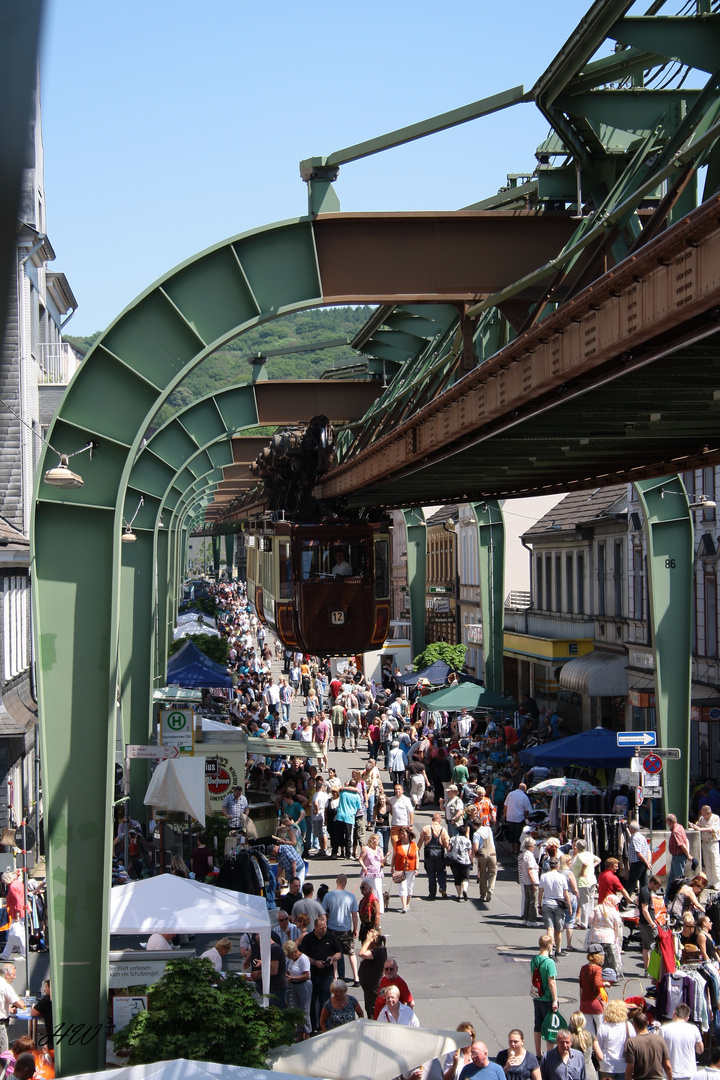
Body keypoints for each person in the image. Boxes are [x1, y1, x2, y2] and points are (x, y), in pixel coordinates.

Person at [298, 913, 342, 1032]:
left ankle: (324, 1027)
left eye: (326, 927)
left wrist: (332, 959)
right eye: (322, 928)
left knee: (325, 1002)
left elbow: (338, 953)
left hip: (326, 975)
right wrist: (314, 962)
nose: (324, 930)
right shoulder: (308, 938)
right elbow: (303, 955)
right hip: (313, 974)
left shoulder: (330, 937)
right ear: (316, 927)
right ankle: (312, 1026)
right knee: (311, 1002)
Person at [322, 874, 360, 984]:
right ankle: (356, 977)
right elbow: (354, 914)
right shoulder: (351, 896)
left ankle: (335, 976)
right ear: (346, 882)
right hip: (346, 929)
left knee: (334, 952)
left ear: (336, 881)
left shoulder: (329, 896)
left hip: (332, 928)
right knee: (351, 952)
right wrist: (355, 928)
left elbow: (323, 912)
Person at [530, 935, 558, 1057]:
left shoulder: (534, 959)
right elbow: (551, 982)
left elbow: (532, 977)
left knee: (538, 1025)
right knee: (549, 1026)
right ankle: (549, 1054)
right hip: (547, 997)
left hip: (537, 996)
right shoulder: (549, 962)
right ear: (550, 946)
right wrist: (555, 999)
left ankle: (538, 1053)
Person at [593, 1000, 635, 1080]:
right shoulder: (628, 1026)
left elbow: (600, 1048)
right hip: (623, 1066)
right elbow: (634, 1044)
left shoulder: (603, 1027)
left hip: (606, 1066)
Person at [538, 857, 572, 958]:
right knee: (558, 929)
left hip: (547, 902)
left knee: (550, 928)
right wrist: (569, 906)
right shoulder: (561, 877)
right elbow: (566, 894)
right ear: (558, 866)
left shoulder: (544, 876)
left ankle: (550, 951)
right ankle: (558, 949)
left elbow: (540, 892)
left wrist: (539, 905)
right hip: (558, 904)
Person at [623, 1012, 671, 1080]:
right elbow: (667, 1065)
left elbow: (630, 1067)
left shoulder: (632, 1042)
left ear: (634, 1025)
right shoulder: (660, 1039)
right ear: (647, 1022)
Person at [661, 1004, 703, 1080]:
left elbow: (658, 1051)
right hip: (689, 1072)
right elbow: (700, 1050)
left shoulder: (663, 1029)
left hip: (670, 1073)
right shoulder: (694, 1029)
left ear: (674, 1013)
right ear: (687, 1018)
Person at [587, 894, 624, 977]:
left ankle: (594, 973)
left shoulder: (597, 908)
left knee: (595, 955)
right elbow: (617, 925)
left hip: (595, 936)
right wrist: (617, 937)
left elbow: (590, 920)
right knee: (611, 959)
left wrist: (594, 926)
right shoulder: (614, 911)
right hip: (608, 937)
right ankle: (612, 975)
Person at [247, 934, 287, 1009]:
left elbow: (274, 970)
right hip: (272, 987)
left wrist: (258, 974)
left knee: (275, 1013)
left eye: (259, 942)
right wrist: (262, 962)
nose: (259, 945)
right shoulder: (271, 949)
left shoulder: (274, 949)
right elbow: (272, 962)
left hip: (277, 987)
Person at [283, 940, 312, 1039]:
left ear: (295, 951)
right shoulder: (292, 960)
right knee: (296, 1009)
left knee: (304, 1010)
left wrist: (294, 978)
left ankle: (307, 1032)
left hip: (304, 985)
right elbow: (289, 970)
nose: (290, 957)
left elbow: (306, 975)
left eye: (291, 955)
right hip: (294, 986)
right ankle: (300, 1031)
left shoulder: (303, 959)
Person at [418, 812, 449, 901]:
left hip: (428, 853)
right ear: (440, 820)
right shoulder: (443, 830)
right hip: (439, 853)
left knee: (431, 874)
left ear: (432, 820)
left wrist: (417, 851)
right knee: (441, 872)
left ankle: (432, 894)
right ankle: (442, 887)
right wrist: (449, 851)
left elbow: (420, 841)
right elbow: (446, 843)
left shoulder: (426, 828)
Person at [357, 929, 387, 1018]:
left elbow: (361, 953)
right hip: (368, 985)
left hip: (373, 985)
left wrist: (368, 941)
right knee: (369, 1008)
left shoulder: (378, 951)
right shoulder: (378, 950)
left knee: (373, 1009)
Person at [578, 950, 609, 1036]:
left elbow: (581, 986)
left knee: (588, 1031)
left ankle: (590, 1048)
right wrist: (605, 983)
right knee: (601, 1029)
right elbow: (596, 983)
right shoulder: (598, 969)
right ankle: (599, 1048)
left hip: (585, 1002)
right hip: (596, 1003)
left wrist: (582, 1001)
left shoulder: (583, 968)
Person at [573, 840, 601, 929]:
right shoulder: (589, 854)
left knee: (584, 902)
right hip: (592, 880)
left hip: (583, 881)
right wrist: (592, 866)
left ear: (577, 847)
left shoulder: (579, 856)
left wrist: (582, 871)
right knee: (590, 902)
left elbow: (584, 863)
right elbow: (598, 860)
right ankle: (590, 921)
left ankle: (584, 923)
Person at [690, 805, 720, 887]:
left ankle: (717, 884)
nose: (703, 816)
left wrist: (700, 829)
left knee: (715, 863)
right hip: (705, 842)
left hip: (713, 842)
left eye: (704, 815)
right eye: (702, 815)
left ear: (709, 813)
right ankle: (710, 882)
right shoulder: (702, 819)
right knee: (707, 863)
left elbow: (712, 829)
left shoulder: (715, 818)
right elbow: (698, 825)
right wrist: (694, 826)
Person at [392, 826, 419, 913]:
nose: (402, 835)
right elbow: (394, 856)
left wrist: (416, 868)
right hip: (400, 869)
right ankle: (404, 906)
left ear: (408, 834)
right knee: (402, 887)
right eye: (401, 833)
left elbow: (417, 857)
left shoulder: (413, 844)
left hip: (411, 869)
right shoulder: (397, 844)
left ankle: (407, 903)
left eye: (404, 833)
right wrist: (392, 867)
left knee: (409, 887)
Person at [638, 875, 662, 970]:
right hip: (647, 924)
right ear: (652, 883)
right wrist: (652, 923)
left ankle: (648, 969)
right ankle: (653, 970)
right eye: (657, 886)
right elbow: (645, 910)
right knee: (655, 947)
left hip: (644, 923)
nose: (658, 888)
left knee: (646, 948)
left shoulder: (645, 890)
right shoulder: (645, 893)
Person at [359, 833, 387, 914]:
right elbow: (360, 859)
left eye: (379, 840)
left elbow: (382, 861)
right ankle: (367, 907)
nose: (378, 842)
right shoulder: (366, 849)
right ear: (372, 840)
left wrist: (386, 856)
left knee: (378, 890)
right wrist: (364, 866)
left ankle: (379, 909)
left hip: (377, 872)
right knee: (367, 891)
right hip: (368, 873)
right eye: (377, 840)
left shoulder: (379, 849)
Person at [335, 782, 364, 860]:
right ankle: (348, 854)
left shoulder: (343, 792)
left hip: (340, 816)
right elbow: (359, 808)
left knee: (338, 835)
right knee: (348, 837)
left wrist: (345, 788)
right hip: (349, 818)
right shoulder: (357, 795)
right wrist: (354, 813)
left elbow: (339, 790)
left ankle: (336, 852)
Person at [472, 818, 497, 903]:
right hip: (492, 854)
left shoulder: (476, 834)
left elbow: (475, 848)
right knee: (493, 873)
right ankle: (490, 889)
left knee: (483, 874)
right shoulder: (488, 829)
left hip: (482, 855)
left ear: (475, 826)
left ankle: (483, 894)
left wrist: (473, 855)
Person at [504, 783, 532, 855]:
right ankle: (516, 849)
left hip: (510, 816)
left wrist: (505, 814)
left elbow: (505, 805)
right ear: (525, 789)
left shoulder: (511, 794)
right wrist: (524, 816)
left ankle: (511, 848)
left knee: (511, 832)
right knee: (517, 833)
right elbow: (527, 810)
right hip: (519, 817)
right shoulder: (524, 796)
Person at [666, 814, 690, 895]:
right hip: (677, 858)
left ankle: (681, 898)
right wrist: (688, 852)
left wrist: (688, 855)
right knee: (671, 880)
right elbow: (686, 840)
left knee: (679, 881)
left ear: (669, 822)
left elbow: (682, 845)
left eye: (666, 821)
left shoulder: (675, 831)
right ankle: (666, 901)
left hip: (678, 858)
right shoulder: (680, 827)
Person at [448, 824, 473, 902]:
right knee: (465, 877)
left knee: (457, 878)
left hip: (455, 861)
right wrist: (471, 861)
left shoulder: (453, 839)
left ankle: (459, 895)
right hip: (465, 861)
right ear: (465, 832)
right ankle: (465, 890)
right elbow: (470, 852)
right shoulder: (467, 841)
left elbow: (449, 849)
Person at [627, 823, 652, 895]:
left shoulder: (635, 838)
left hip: (637, 863)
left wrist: (647, 862)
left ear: (631, 829)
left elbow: (639, 853)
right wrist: (648, 861)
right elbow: (648, 850)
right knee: (644, 883)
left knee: (631, 884)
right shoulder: (642, 837)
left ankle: (624, 903)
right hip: (643, 863)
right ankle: (645, 900)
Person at [520, 838, 541, 926]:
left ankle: (526, 918)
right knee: (533, 901)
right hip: (531, 881)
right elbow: (530, 870)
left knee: (528, 900)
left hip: (525, 880)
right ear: (531, 846)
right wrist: (533, 883)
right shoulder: (530, 856)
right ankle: (532, 920)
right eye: (534, 846)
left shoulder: (524, 854)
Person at [570, 1014, 597, 1080]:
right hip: (590, 1073)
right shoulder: (591, 1035)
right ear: (584, 1022)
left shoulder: (569, 1038)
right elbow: (600, 1056)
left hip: (575, 1074)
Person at [390, 784, 415, 849]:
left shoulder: (406, 799)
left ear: (402, 791)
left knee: (404, 844)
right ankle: (397, 858)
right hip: (394, 825)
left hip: (404, 825)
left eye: (399, 789)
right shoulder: (392, 799)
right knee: (395, 845)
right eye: (396, 789)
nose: (397, 790)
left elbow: (411, 812)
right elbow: (389, 809)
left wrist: (411, 825)